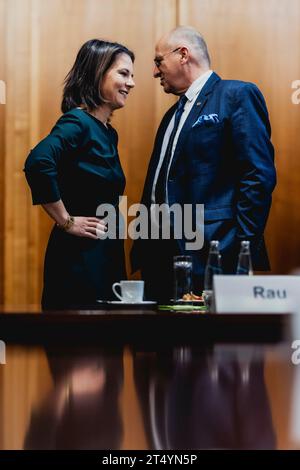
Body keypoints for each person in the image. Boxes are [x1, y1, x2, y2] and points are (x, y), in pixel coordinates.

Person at [131, 26, 276, 302]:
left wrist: (240, 248)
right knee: (157, 344)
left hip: (215, 255)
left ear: (183, 54)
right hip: (161, 262)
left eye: (158, 61)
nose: (154, 71)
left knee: (214, 345)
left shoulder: (236, 95)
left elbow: (258, 175)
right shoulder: (171, 116)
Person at [24, 39, 135, 309]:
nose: (131, 83)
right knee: (83, 347)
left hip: (105, 257)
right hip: (80, 261)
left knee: (109, 347)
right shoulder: (78, 122)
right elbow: (38, 162)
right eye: (123, 73)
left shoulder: (108, 132)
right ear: (98, 73)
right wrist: (66, 220)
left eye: (132, 75)